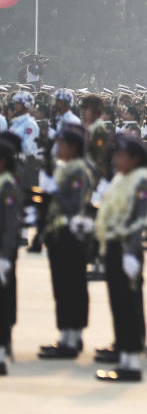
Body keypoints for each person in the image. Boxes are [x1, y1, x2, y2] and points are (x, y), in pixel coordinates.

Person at [94, 134, 147, 383]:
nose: (116, 159)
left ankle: (131, 363)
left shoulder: (140, 181)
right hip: (114, 246)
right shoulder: (121, 179)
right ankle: (124, 357)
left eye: (121, 155)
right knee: (118, 303)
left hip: (127, 248)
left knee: (127, 305)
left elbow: (138, 220)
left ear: (135, 158)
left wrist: (130, 251)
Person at [37, 126, 95, 360]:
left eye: (62, 144)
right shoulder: (64, 169)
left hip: (73, 235)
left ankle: (73, 337)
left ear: (73, 148)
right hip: (59, 234)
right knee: (61, 286)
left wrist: (53, 190)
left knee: (72, 286)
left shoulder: (78, 171)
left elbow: (74, 204)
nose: (57, 149)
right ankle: (65, 335)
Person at [0, 134, 22, 377]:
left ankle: (2, 347)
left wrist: (5, 256)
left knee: (4, 302)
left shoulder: (8, 184)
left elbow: (9, 225)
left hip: (3, 250)